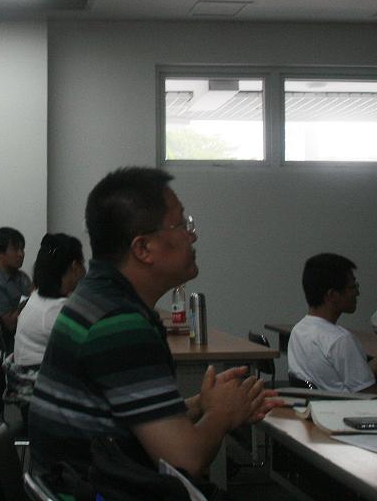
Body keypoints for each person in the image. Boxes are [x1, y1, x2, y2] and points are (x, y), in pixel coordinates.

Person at [29, 167, 276, 483]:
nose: (192, 235)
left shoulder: (98, 297)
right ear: (143, 248)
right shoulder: (118, 324)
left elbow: (137, 416)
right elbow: (185, 461)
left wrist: (202, 404)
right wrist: (221, 414)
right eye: (181, 225)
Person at [288, 253, 377, 393]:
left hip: (318, 404)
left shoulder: (299, 330)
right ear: (332, 295)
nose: (357, 293)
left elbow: (356, 380)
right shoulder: (340, 340)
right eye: (353, 287)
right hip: (347, 406)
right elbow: (370, 395)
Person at [6, 233, 85, 405]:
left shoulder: (36, 298)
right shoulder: (58, 312)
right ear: (75, 267)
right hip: (47, 396)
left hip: (29, 386)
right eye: (83, 265)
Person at [0, 226, 32, 332]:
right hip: (18, 339)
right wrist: (33, 298)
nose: (21, 254)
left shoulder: (21, 276)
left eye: (22, 249)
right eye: (15, 249)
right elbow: (10, 325)